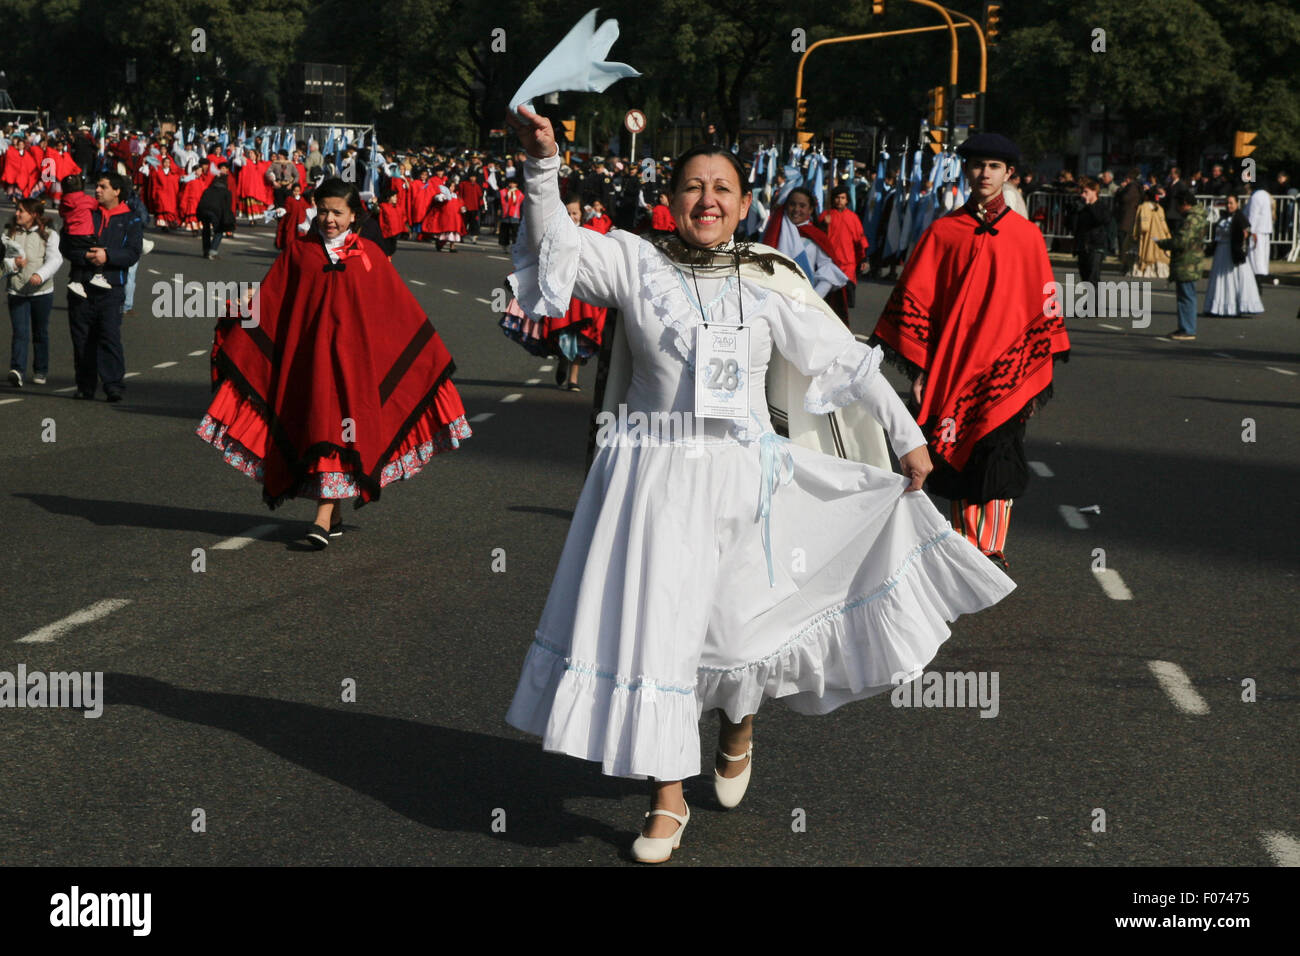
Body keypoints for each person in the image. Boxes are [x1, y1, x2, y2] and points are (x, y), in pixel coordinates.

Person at [503, 106, 1015, 863]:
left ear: (746, 205)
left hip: (750, 483)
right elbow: (556, 251)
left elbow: (842, 363)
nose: (707, 199)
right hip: (653, 483)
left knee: (739, 632)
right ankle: (667, 798)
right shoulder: (637, 265)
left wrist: (906, 436)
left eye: (723, 188)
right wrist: (542, 164)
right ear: (670, 201)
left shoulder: (774, 280)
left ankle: (739, 726)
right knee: (659, 638)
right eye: (691, 187)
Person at [196, 177, 472, 547]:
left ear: (354, 215)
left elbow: (396, 313)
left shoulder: (370, 257)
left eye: (337, 212)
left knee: (341, 431)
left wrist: (424, 355)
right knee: (318, 430)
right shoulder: (299, 253)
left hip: (354, 372)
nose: (328, 219)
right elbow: (274, 301)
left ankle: (322, 520)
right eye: (322, 210)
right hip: (310, 368)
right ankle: (333, 513)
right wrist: (242, 311)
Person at [872, 133, 1071, 569]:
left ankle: (991, 549)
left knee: (998, 454)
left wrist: (1033, 378)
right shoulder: (943, 233)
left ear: (1009, 174)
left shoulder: (1027, 237)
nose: (984, 173)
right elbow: (919, 299)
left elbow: (1045, 307)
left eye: (994, 167)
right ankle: (964, 550)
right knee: (953, 453)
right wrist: (920, 370)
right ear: (967, 170)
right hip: (953, 367)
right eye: (978, 165)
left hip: (1007, 369)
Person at [67, 172, 142, 402]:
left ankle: (113, 384)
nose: (97, 190)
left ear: (117, 191)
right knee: (81, 339)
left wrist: (107, 256)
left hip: (111, 287)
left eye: (103, 187)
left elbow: (132, 253)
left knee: (108, 335)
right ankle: (85, 385)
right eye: (96, 186)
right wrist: (86, 256)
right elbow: (66, 244)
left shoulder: (131, 219)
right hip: (81, 285)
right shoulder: (86, 213)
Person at [3, 199, 62, 388]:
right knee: (20, 332)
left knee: (40, 332)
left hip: (41, 292)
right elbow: (2, 262)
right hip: (17, 290)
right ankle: (17, 370)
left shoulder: (49, 235)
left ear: (34, 214)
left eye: (22, 211)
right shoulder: (9, 234)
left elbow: (55, 259)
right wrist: (13, 264)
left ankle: (40, 370)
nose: (17, 214)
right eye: (17, 210)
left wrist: (40, 274)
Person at [1156, 193, 1208, 341]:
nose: (1177, 209)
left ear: (1185, 203)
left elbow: (1182, 241)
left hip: (1187, 262)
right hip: (1190, 261)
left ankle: (1187, 329)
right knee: (1185, 296)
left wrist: (1164, 243)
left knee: (1186, 297)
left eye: (1179, 205)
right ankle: (1184, 327)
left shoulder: (1192, 219)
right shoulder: (1197, 216)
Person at [1203, 195, 1264, 318]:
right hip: (1221, 251)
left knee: (1235, 278)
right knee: (1220, 279)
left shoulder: (1240, 217)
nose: (1228, 205)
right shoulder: (1223, 216)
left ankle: (1236, 306)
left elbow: (1246, 231)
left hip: (1233, 251)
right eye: (1227, 203)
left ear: (1237, 204)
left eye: (1231, 203)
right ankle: (1218, 306)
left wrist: (1242, 239)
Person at [817, 185, 869, 321]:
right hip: (829, 265)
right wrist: (823, 225)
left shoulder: (853, 218)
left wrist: (863, 259)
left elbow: (860, 240)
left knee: (844, 304)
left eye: (843, 198)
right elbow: (816, 238)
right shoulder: (825, 216)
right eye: (837, 198)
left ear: (847, 200)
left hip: (848, 266)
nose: (840, 200)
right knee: (826, 302)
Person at [1072, 177, 1109, 288]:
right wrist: (1074, 211)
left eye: (1086, 192)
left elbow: (1101, 220)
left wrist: (1090, 206)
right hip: (1082, 246)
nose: (1083, 195)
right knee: (1085, 279)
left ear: (1094, 192)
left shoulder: (1101, 206)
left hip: (1095, 246)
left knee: (1093, 278)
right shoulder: (1083, 207)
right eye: (1082, 192)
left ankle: (1094, 304)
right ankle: (1090, 302)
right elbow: (1074, 226)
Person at [1130, 187, 1171, 278]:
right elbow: (1164, 225)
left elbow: (1143, 226)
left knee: (1147, 253)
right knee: (1158, 254)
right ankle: (1159, 272)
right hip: (1160, 235)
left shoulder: (1143, 207)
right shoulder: (1160, 208)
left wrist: (1136, 235)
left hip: (1147, 236)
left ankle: (1143, 271)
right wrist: (1167, 234)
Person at [197, 166, 236, 259]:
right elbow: (227, 208)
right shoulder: (226, 192)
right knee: (219, 230)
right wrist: (228, 221)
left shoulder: (208, 190)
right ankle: (212, 251)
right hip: (215, 212)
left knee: (206, 230)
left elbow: (201, 202)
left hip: (203, 211)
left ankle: (206, 250)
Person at [1244, 184, 1272, 283]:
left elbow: (1253, 214)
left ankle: (1256, 278)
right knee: (1262, 255)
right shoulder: (1265, 195)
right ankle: (1261, 275)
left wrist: (1250, 229)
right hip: (1264, 229)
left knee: (1255, 255)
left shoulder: (1256, 196)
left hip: (1256, 230)